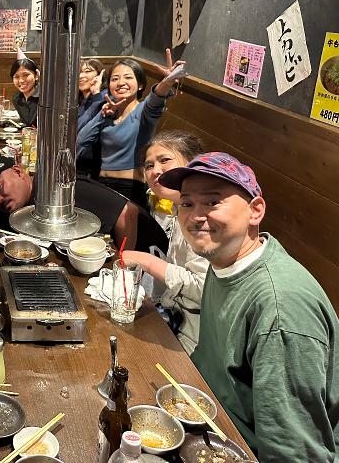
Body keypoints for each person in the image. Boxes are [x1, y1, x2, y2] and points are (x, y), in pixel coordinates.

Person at [158, 152, 339, 460]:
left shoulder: (279, 309)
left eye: (212, 202)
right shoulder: (223, 261)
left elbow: (293, 451)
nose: (195, 216)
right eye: (186, 204)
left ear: (255, 211)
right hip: (209, 421)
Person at [0, 155, 168, 255]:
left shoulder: (60, 190)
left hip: (151, 254)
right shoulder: (21, 204)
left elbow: (128, 212)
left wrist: (123, 266)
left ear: (18, 171)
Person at [121, 130, 208, 355]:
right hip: (169, 315)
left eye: (165, 160)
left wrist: (146, 261)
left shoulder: (203, 219)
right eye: (149, 165)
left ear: (193, 162)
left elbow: (203, 289)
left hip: (195, 338)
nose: (155, 170)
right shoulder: (169, 207)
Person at [76, 50, 186, 209]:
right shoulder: (108, 115)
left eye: (128, 77)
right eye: (115, 78)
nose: (121, 82)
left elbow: (156, 98)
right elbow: (82, 140)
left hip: (129, 188)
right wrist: (102, 115)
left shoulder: (143, 111)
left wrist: (167, 82)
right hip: (100, 183)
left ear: (140, 85)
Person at [10, 50, 40, 127]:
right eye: (16, 76)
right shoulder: (17, 99)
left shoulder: (46, 97)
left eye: (26, 75)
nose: (21, 80)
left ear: (36, 75)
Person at [77, 57, 105, 131]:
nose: (80, 76)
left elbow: (81, 127)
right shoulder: (78, 99)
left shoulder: (105, 96)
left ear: (99, 75)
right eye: (78, 72)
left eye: (87, 71)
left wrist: (96, 93)